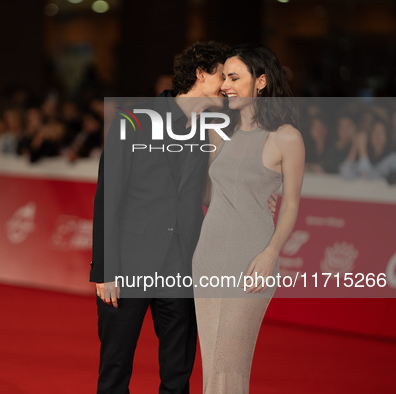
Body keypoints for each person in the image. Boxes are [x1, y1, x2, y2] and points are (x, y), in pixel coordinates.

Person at [90, 41, 278, 394]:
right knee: (115, 369)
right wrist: (104, 269)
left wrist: (254, 198)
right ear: (200, 73)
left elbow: (209, 190)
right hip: (129, 263)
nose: (227, 86)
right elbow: (108, 198)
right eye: (223, 76)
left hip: (184, 264)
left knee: (178, 374)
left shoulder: (213, 128)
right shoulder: (132, 119)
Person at [192, 43, 305, 393]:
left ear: (261, 81)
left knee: (229, 364)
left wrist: (271, 253)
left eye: (234, 77)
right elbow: (208, 196)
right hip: (208, 257)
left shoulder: (286, 137)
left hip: (250, 261)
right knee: (212, 365)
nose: (225, 84)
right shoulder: (219, 132)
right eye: (224, 77)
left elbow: (290, 205)